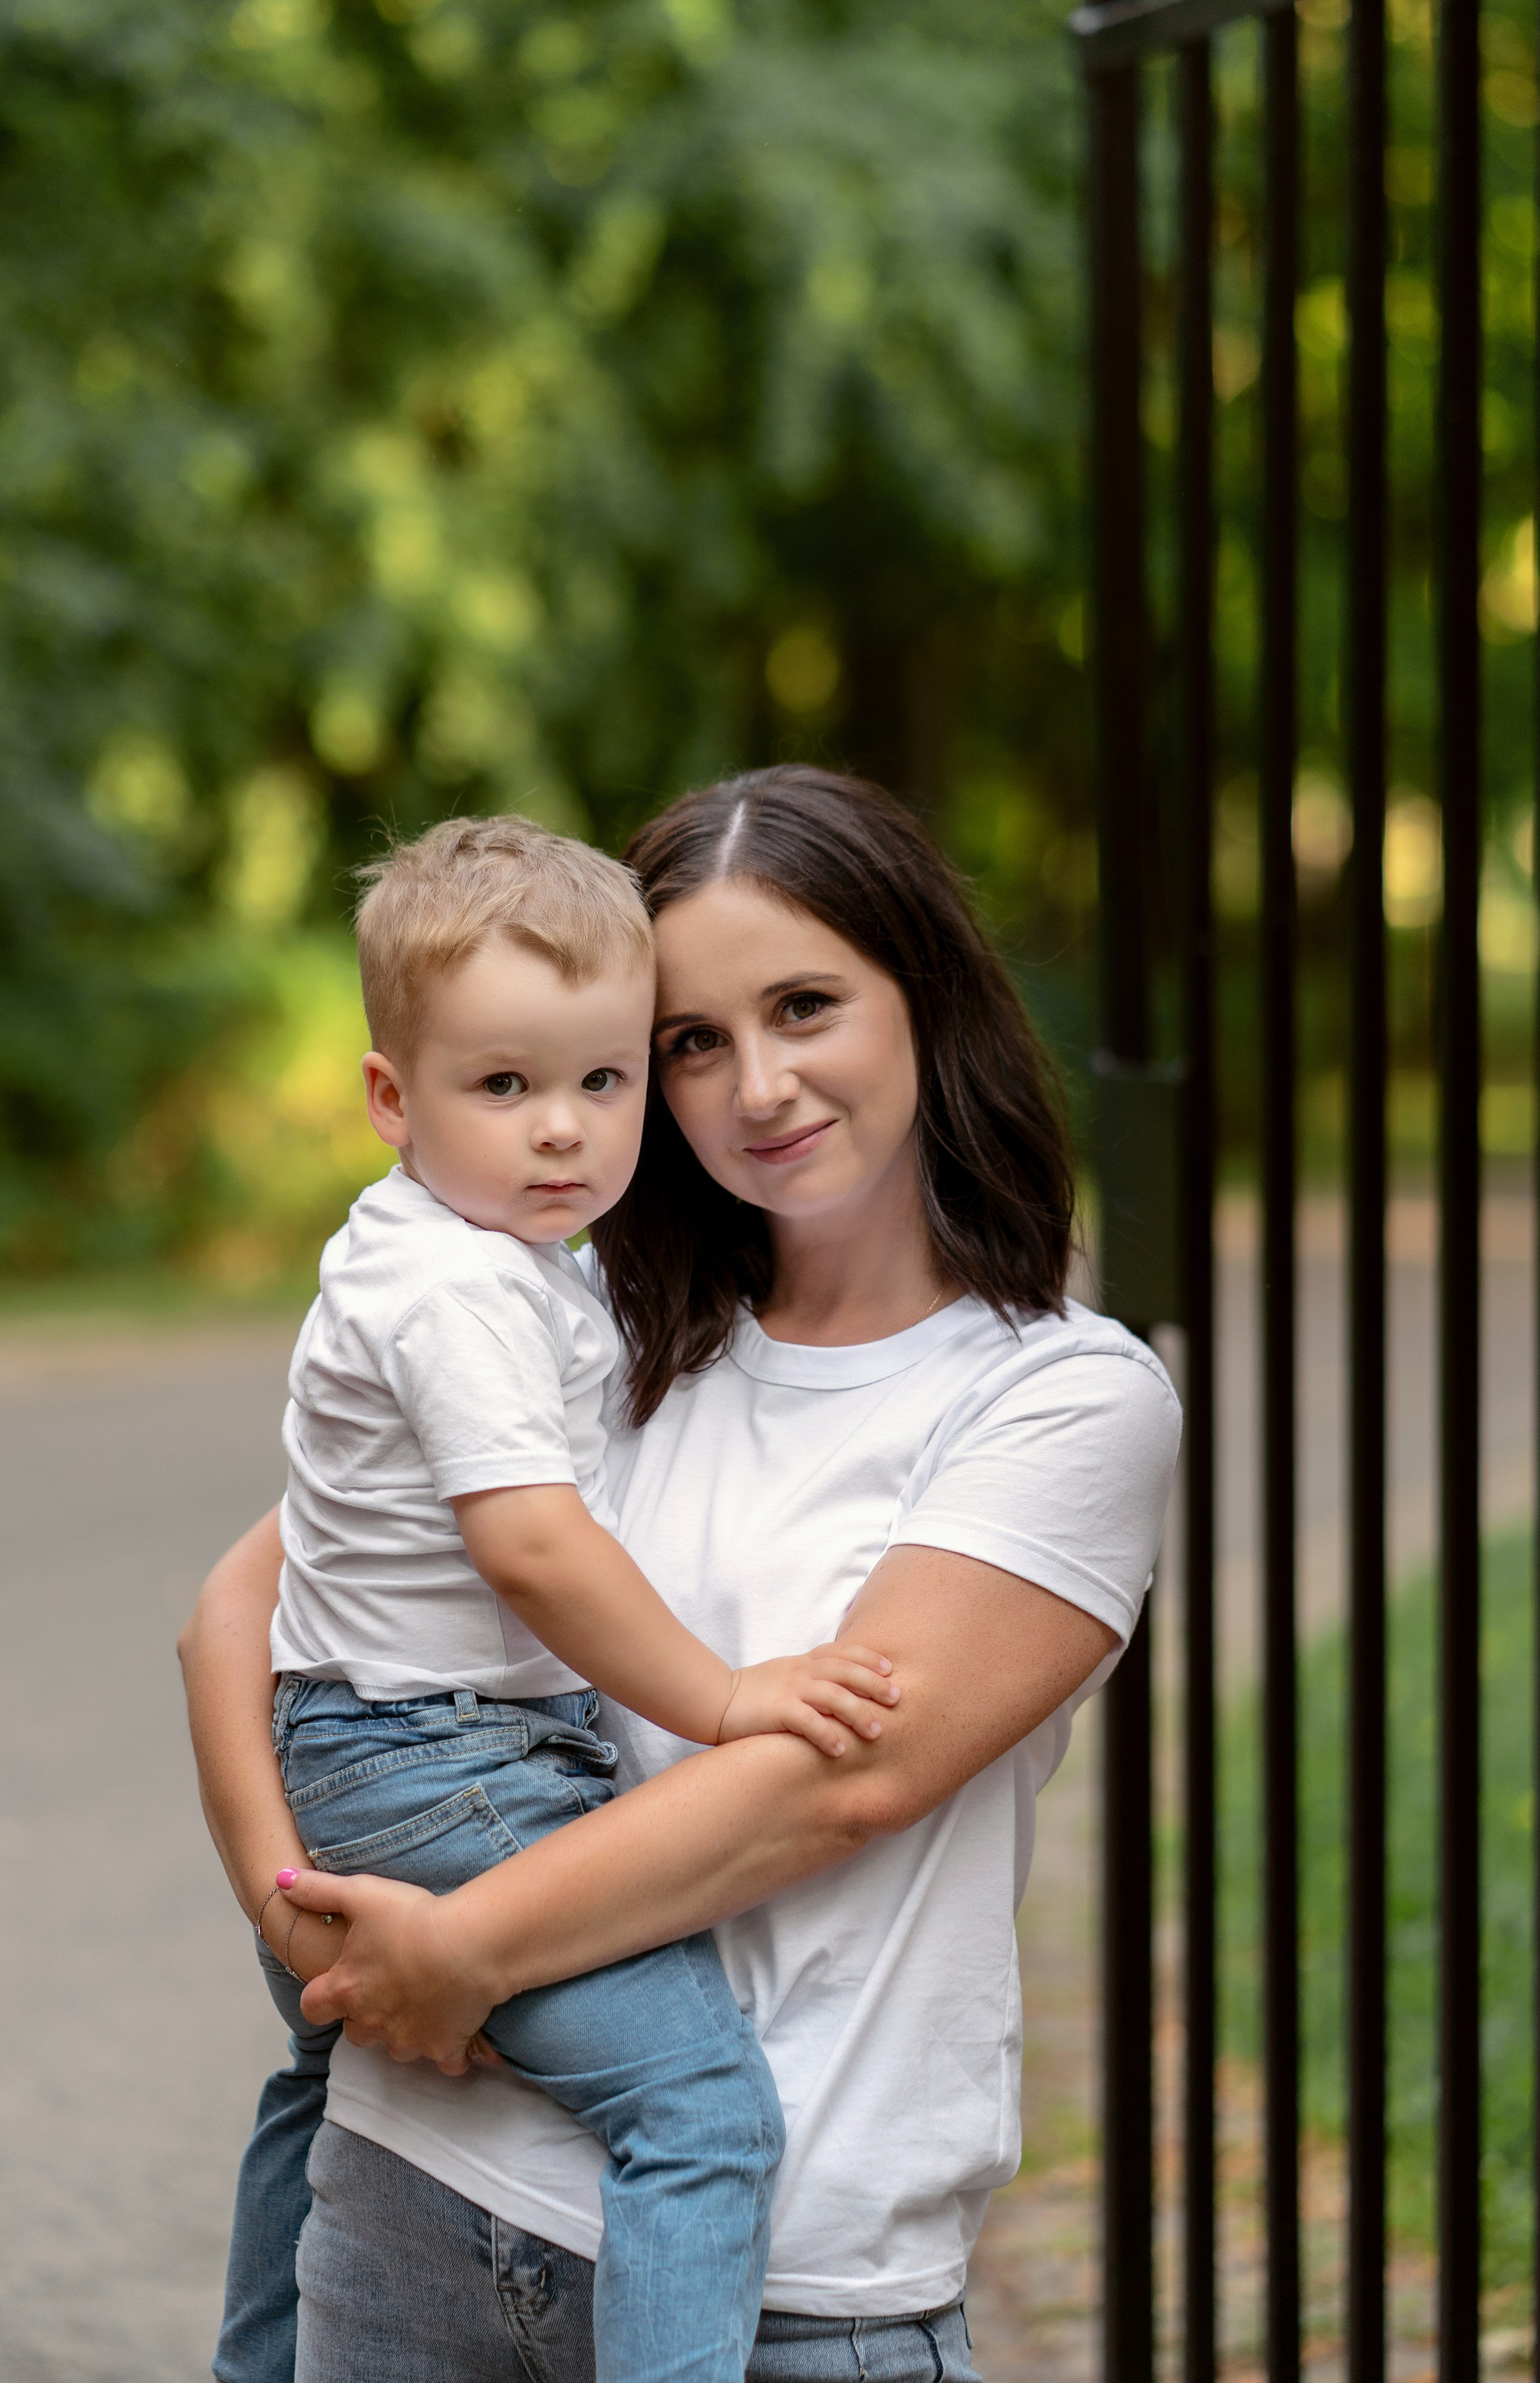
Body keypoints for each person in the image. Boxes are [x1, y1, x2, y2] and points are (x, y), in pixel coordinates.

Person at [180, 764, 1182, 2383]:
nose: (757, 1085)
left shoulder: (1058, 1397)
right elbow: (239, 1611)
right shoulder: (578, 1333)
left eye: (804, 1006)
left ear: (923, 998)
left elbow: (823, 1791)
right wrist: (297, 1925)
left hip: (785, 2292)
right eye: (691, 1043)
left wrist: (459, 1950)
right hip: (412, 2211)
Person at [217, 812, 901, 2383]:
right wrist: (723, 1701)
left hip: (361, 1750)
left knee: (321, 2085)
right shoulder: (459, 1289)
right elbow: (530, 1543)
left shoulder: (472, 1255)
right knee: (702, 2116)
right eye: (503, 1086)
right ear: (391, 1097)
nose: (563, 1133)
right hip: (435, 1767)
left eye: (601, 1082)